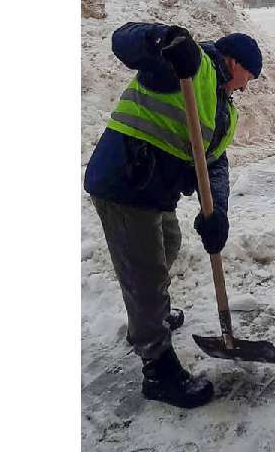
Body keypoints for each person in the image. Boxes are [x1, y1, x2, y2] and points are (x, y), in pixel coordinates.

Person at [84, 22, 263, 409]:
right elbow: (123, 41)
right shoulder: (186, 63)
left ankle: (152, 310)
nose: (246, 87)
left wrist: (217, 215)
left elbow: (214, 166)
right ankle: (157, 367)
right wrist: (161, 39)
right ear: (233, 62)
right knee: (146, 272)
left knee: (169, 242)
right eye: (248, 76)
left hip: (154, 193)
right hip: (125, 180)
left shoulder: (223, 110)